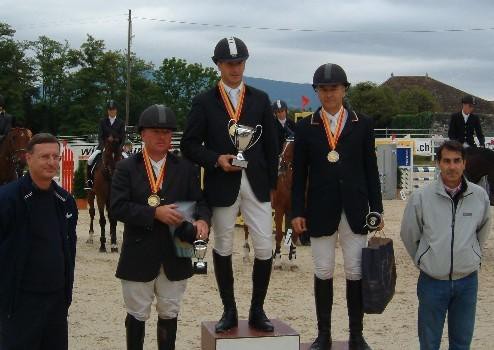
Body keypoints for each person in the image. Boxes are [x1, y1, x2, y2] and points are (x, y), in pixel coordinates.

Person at [180, 36, 278, 333]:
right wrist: (215, 159)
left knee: (265, 245)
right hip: (222, 182)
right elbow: (189, 144)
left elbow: (272, 145)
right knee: (223, 245)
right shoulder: (204, 101)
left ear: (245, 63)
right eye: (228, 63)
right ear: (218, 65)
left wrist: (272, 184)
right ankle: (229, 310)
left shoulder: (260, 98)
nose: (235, 68)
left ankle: (257, 309)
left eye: (239, 62)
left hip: (256, 183)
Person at [291, 63, 383, 350]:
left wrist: (376, 208)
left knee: (355, 271)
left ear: (344, 89)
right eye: (323, 89)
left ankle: (357, 335)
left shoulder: (362, 123)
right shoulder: (306, 127)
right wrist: (296, 212)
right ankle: (324, 335)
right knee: (323, 270)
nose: (329, 94)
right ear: (316, 92)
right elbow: (300, 175)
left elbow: (371, 168)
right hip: (320, 207)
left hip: (355, 207)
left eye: (334, 88)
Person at [111, 104, 211, 350]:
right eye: (155, 131)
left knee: (170, 312)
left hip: (177, 250)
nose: (161, 136)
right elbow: (117, 207)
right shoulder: (126, 168)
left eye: (166, 132)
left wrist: (202, 220)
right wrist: (154, 213)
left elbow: (200, 202)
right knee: (137, 313)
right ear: (143, 134)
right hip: (139, 251)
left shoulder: (186, 168)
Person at [400, 140, 491, 350]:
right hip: (432, 282)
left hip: (467, 282)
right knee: (429, 343)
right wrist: (425, 259)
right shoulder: (420, 198)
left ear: (464, 163)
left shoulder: (480, 197)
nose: (452, 166)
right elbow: (409, 234)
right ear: (438, 163)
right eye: (447, 161)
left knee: (461, 343)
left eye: (457, 161)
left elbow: (482, 232)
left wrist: (472, 255)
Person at [0, 133, 78, 350]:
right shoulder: (7, 199)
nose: (52, 162)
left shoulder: (66, 201)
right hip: (20, 302)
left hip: (56, 301)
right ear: (28, 158)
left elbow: (69, 250)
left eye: (56, 156)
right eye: (45, 157)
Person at [86, 100, 126, 189]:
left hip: (117, 148)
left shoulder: (121, 122)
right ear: (108, 111)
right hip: (104, 147)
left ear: (116, 110)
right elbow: (100, 136)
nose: (112, 111)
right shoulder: (102, 122)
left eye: (113, 109)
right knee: (90, 160)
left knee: (128, 159)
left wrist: (119, 145)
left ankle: (129, 182)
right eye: (110, 110)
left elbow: (123, 137)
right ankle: (90, 181)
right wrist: (103, 146)